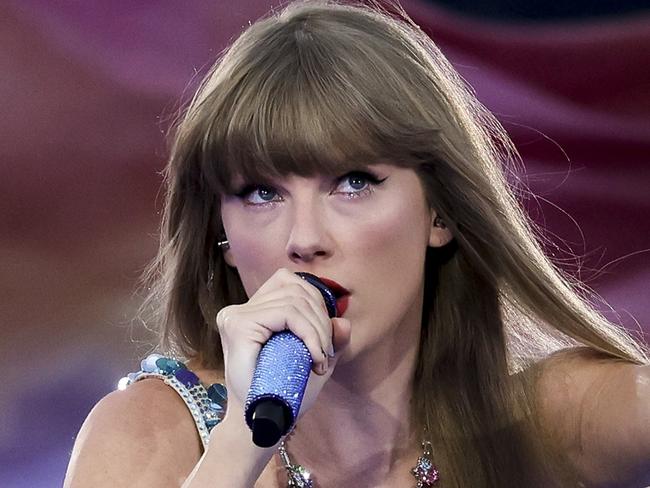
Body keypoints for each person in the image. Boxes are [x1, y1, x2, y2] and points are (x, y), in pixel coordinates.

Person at [63, 0, 650, 486]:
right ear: (223, 237)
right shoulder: (147, 435)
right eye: (261, 193)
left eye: (353, 183)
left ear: (439, 213)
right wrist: (243, 441)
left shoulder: (555, 420)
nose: (305, 240)